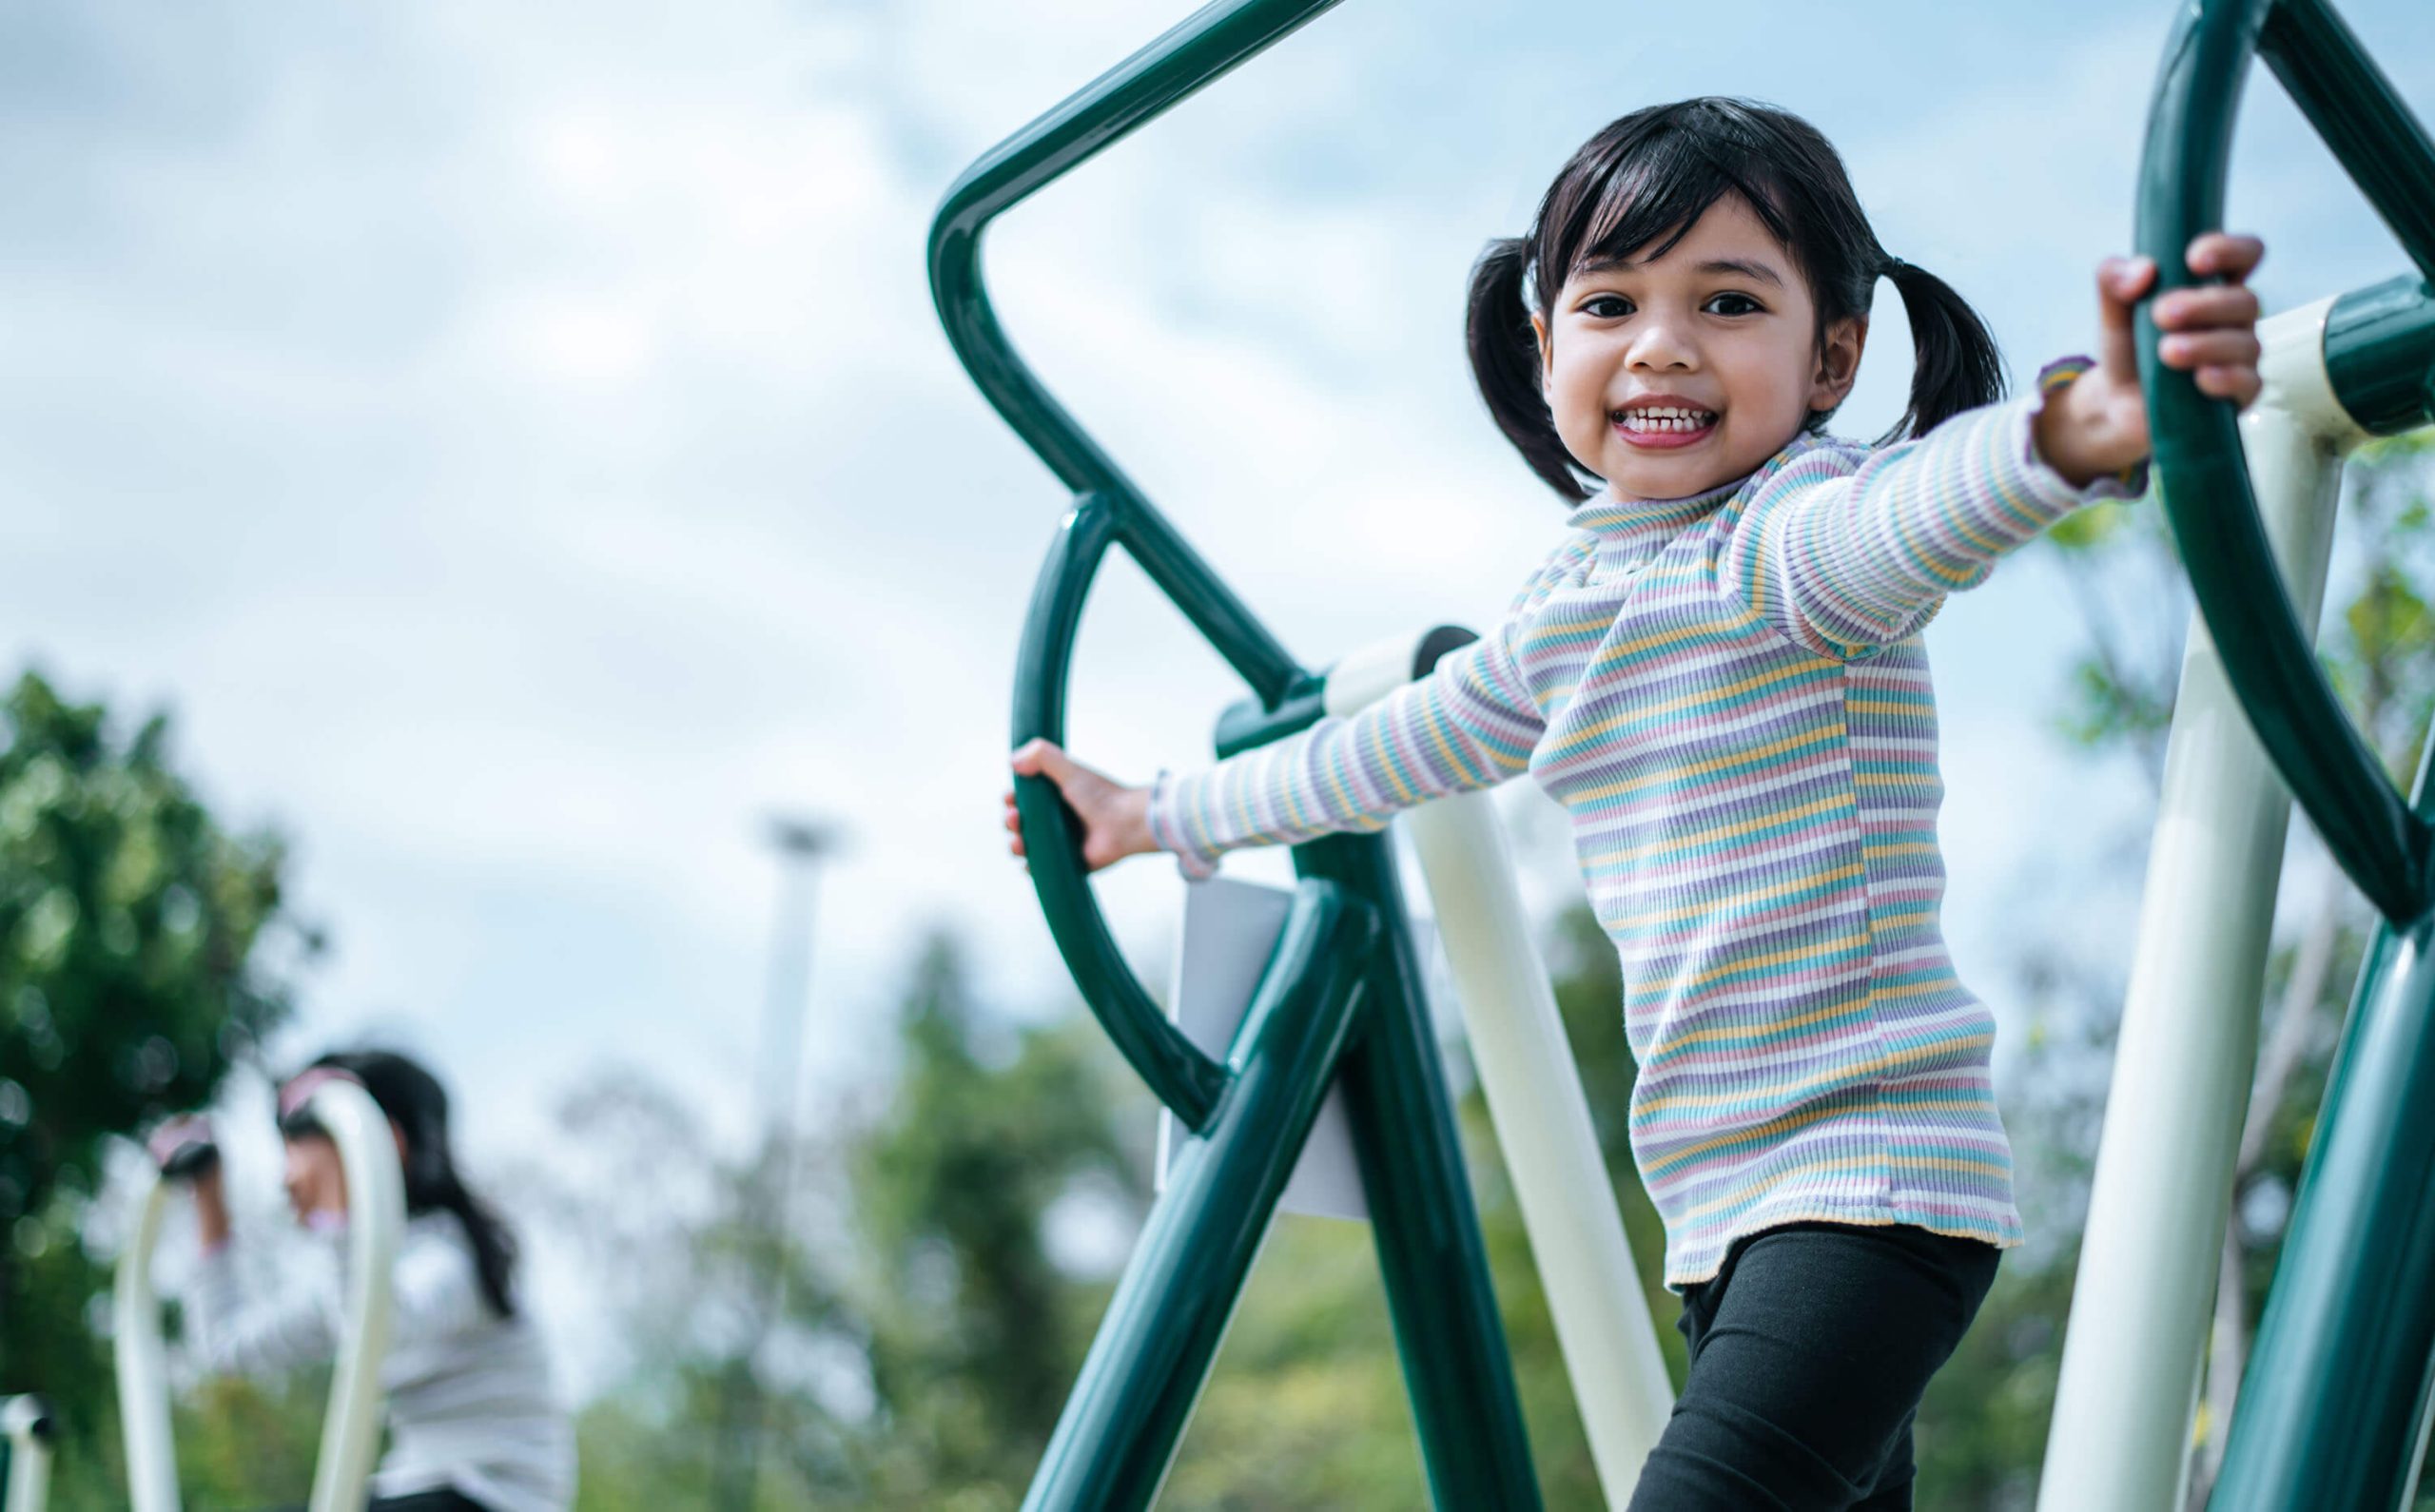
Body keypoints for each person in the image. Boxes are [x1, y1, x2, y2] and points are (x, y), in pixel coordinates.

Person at [1001, 97, 2267, 1509]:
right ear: (1548, 353)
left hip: (1863, 1185)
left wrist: (2072, 431)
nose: (1663, 341)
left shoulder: (1791, 545)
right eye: (1611, 302)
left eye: (1728, 301)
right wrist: (1162, 810)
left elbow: (1924, 505)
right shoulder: (1566, 615)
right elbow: (1374, 755)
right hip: (1719, 1220)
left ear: (1833, 355)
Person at [154, 1051, 574, 1512]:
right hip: (413, 1485)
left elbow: (381, 1331)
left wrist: (340, 1203)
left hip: (491, 1495)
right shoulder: (348, 1286)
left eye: (296, 1149)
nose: (286, 1179)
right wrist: (209, 1202)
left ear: (379, 1142)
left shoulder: (451, 1258)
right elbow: (228, 1348)